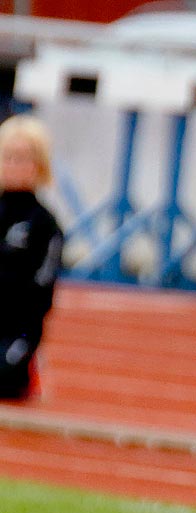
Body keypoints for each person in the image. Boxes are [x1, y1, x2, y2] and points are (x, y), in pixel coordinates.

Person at [0, 114, 64, 401]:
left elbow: (41, 293)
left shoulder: (45, 225)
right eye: (8, 156)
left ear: (39, 165)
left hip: (16, 328)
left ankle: (29, 368)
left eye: (22, 158)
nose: (13, 165)